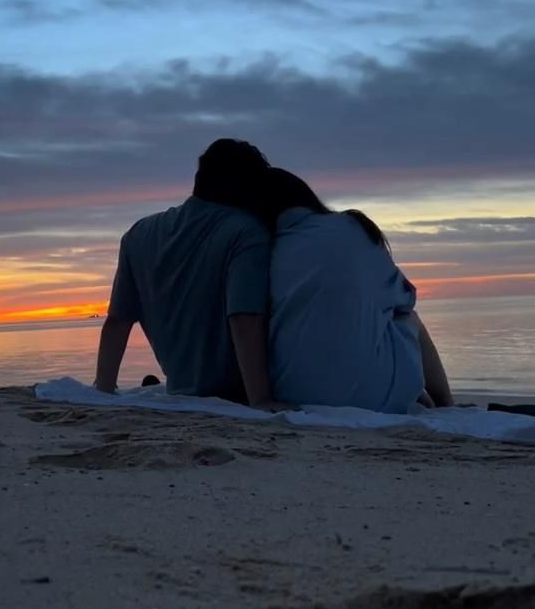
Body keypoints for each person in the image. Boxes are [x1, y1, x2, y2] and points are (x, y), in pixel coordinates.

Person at [94, 139, 281, 409]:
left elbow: (118, 322)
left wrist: (103, 391)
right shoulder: (246, 232)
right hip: (236, 393)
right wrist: (261, 400)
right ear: (247, 186)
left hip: (180, 390)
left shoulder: (139, 234)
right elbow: (243, 319)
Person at [265, 168, 453, 411]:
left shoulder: (262, 248)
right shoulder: (350, 227)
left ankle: (415, 391)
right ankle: (447, 405)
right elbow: (405, 298)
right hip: (370, 397)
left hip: (291, 391)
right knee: (409, 319)